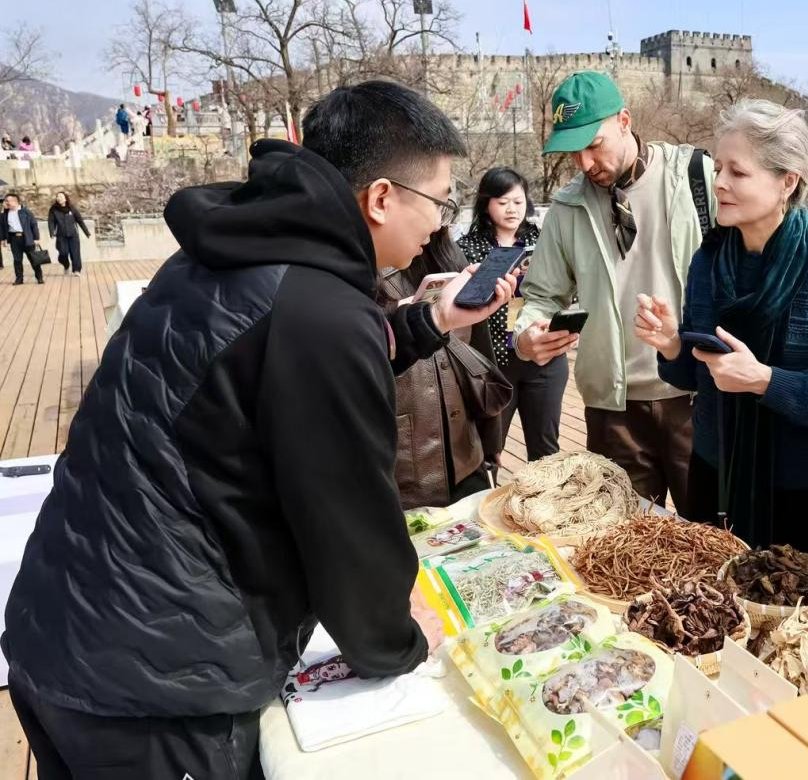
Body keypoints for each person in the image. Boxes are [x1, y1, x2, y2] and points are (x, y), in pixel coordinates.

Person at [1, 80, 517, 778]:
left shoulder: (237, 250)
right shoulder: (319, 312)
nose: (441, 225)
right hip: (156, 684)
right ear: (382, 197)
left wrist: (426, 323)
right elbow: (347, 520)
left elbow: (266, 361)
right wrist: (396, 640)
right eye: (439, 201)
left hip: (65, 627)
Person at [634, 99, 808, 562]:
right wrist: (670, 344)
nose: (719, 182)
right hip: (714, 475)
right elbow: (698, 375)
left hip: (803, 495)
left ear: (788, 181)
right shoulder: (710, 260)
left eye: (737, 173)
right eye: (718, 167)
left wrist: (766, 380)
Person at [513, 71, 716, 506]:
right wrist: (527, 335)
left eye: (594, 144)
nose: (585, 163)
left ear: (624, 120)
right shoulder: (567, 207)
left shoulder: (696, 177)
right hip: (612, 409)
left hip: (696, 397)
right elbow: (542, 297)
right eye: (574, 151)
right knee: (621, 553)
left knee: (710, 540)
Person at [379, 229, 505, 507]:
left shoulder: (450, 257)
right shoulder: (364, 276)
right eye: (433, 201)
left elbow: (480, 358)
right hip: (404, 481)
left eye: (444, 205)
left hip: (467, 459)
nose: (437, 219)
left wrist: (491, 439)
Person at [458, 167, 568, 463]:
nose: (512, 209)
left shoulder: (544, 242)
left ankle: (543, 508)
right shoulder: (467, 249)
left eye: (518, 202)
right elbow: (461, 303)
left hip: (542, 356)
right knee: (488, 448)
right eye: (503, 201)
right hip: (492, 361)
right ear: (486, 203)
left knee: (546, 452)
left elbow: (567, 288)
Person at [47, 191, 91, 276]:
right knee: (63, 253)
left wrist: (87, 232)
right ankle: (66, 265)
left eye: (61, 197)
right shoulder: (53, 209)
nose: (59, 198)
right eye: (58, 197)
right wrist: (52, 232)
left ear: (65, 199)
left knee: (75, 253)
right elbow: (51, 222)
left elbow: (80, 220)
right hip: (61, 236)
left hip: (73, 235)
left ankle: (76, 270)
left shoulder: (72, 208)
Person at [4, 192, 44, 285]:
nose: (6, 203)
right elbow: (3, 226)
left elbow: (34, 225)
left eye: (8, 201)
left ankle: (39, 277)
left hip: (27, 238)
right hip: (14, 239)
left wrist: (36, 238)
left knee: (33, 259)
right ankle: (19, 279)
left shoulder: (26, 211)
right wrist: (6, 241)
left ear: (15, 201)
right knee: (17, 260)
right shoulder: (6, 213)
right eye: (6, 201)